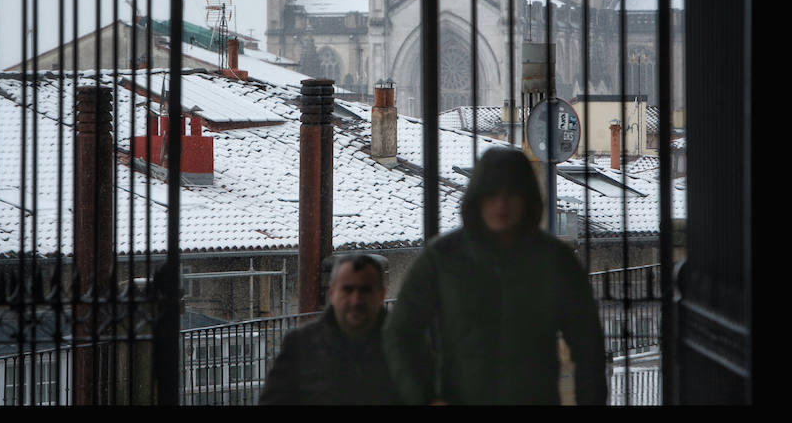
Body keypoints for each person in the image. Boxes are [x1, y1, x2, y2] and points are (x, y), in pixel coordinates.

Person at [383, 147, 608, 405]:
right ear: (478, 198)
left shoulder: (555, 261)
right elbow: (399, 333)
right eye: (492, 194)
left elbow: (588, 344)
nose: (501, 203)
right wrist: (423, 398)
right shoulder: (442, 258)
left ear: (526, 199)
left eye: (511, 194)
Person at [259, 253, 402, 405]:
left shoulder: (406, 344)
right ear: (332, 293)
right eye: (347, 290)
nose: (356, 300)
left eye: (365, 290)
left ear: (382, 294)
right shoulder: (300, 344)